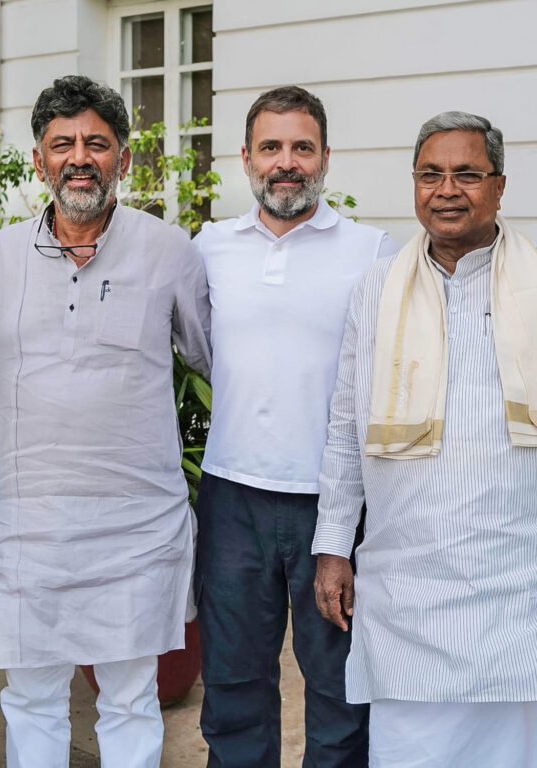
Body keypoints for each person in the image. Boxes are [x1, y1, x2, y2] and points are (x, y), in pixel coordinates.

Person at [0, 74, 211, 768]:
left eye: (97, 142)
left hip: (135, 524)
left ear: (124, 158)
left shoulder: (169, 251)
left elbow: (216, 362)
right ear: (39, 160)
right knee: (32, 699)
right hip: (29, 523)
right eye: (62, 143)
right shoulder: (3, 256)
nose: (80, 157)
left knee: (129, 700)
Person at [313, 111, 537, 767]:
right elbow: (343, 425)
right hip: (408, 584)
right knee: (411, 747)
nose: (447, 190)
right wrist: (332, 546)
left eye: (467, 174)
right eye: (430, 174)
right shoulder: (378, 289)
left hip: (517, 579)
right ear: (413, 185)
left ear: (499, 187)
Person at [192, 85, 397, 767]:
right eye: (272, 147)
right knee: (233, 688)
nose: (288, 162)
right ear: (246, 157)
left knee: (341, 693)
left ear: (326, 158)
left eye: (302, 147)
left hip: (335, 506)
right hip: (230, 501)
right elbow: (183, 341)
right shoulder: (208, 247)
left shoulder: (373, 252)